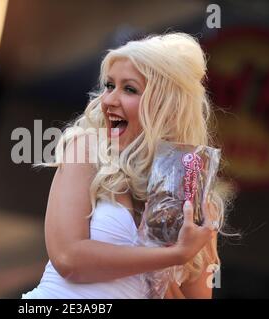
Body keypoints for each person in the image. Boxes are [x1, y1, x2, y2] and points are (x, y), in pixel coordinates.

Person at [22, 32, 233, 299]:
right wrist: (172, 255)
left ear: (165, 105)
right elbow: (69, 259)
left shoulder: (194, 193)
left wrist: (164, 275)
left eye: (129, 89)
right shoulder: (87, 148)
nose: (109, 100)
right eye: (109, 86)